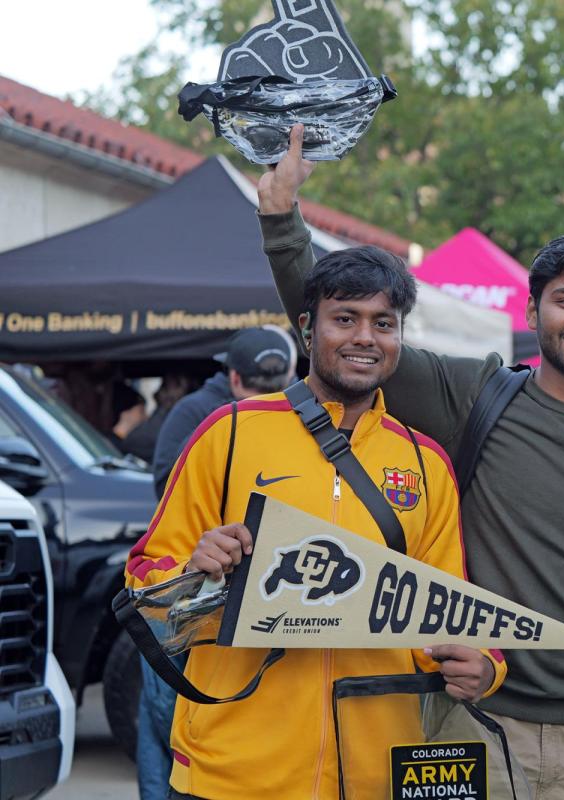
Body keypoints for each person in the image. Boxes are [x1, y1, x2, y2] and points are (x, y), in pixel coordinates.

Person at [257, 126, 564, 799]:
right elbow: (344, 329)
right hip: (471, 718)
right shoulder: (474, 394)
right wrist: (282, 218)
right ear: (533, 308)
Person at [125, 246, 504, 799]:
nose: (364, 338)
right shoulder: (228, 433)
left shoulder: (425, 464)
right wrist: (194, 568)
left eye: (383, 323)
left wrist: (485, 664)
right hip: (233, 768)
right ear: (308, 329)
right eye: (344, 319)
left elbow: (445, 604)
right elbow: (145, 585)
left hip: (374, 770)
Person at [135, 327, 296, 800]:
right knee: (166, 720)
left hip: (249, 599)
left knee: (183, 720)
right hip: (190, 585)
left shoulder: (287, 421)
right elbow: (168, 500)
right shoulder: (202, 416)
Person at [151, 326, 297, 497]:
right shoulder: (303, 413)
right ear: (288, 377)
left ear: (234, 377)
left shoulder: (191, 410)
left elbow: (165, 486)